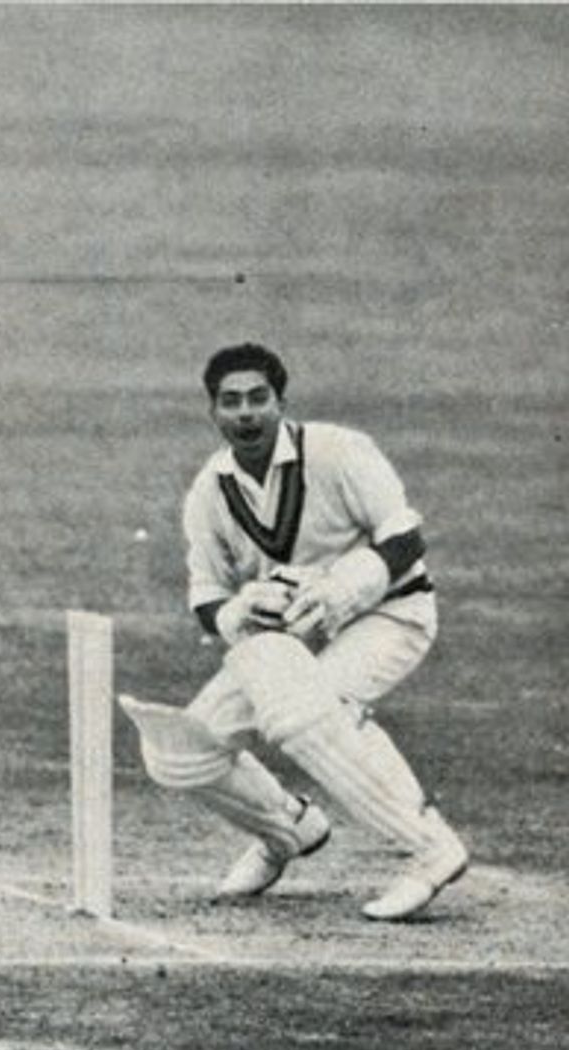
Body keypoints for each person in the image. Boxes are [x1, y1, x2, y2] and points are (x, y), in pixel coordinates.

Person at [119, 342, 467, 921]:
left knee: (307, 709)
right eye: (231, 402)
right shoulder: (210, 490)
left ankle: (432, 849)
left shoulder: (338, 452)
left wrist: (342, 588)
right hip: (289, 642)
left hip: (389, 615)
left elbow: (405, 536)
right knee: (181, 753)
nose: (246, 413)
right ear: (214, 412)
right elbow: (205, 594)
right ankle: (288, 831)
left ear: (281, 402)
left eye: (259, 398)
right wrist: (239, 613)